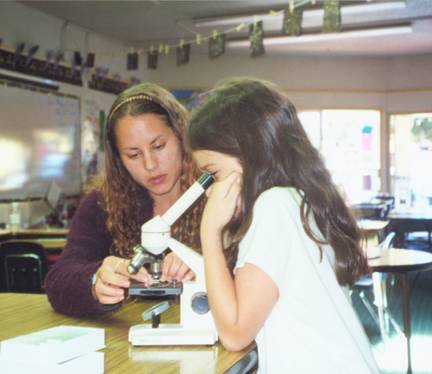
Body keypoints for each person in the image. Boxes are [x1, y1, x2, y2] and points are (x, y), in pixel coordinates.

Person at [187, 77, 379, 373]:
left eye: (213, 174)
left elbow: (235, 332)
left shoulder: (274, 206)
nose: (211, 191)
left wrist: (208, 232)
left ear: (249, 153)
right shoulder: (293, 202)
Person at [45, 83, 203, 317]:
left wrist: (204, 267)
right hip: (124, 342)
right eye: (133, 154)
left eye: (158, 146)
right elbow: (58, 280)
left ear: (182, 137)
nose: (150, 165)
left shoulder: (215, 195)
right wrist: (94, 280)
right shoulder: (103, 203)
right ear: (119, 159)